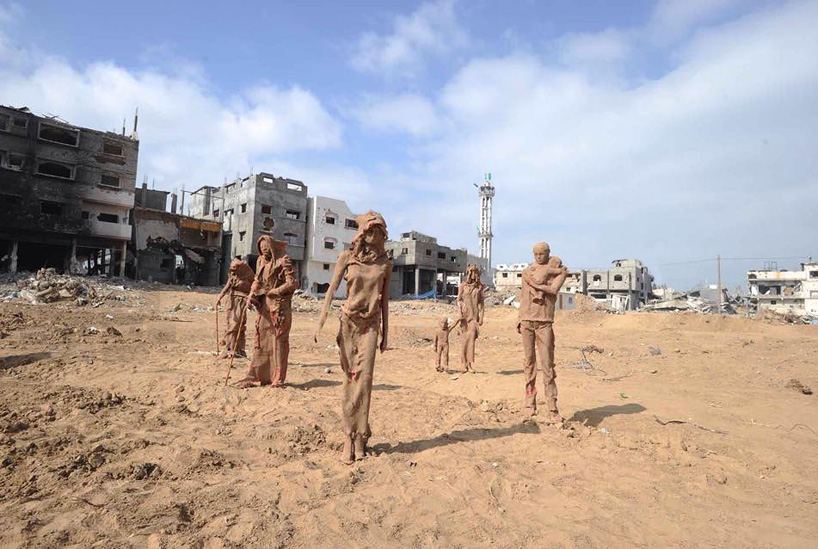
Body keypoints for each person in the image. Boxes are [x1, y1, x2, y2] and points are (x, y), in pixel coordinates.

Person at [314, 211, 391, 463]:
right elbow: (331, 290)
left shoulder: (385, 264)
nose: (374, 235)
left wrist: (386, 333)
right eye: (370, 230)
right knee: (351, 378)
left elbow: (385, 301)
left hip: (371, 325)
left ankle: (360, 436)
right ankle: (348, 435)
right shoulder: (347, 258)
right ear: (362, 232)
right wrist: (321, 322)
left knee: (365, 381)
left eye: (378, 231)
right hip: (349, 323)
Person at [236, 236, 298, 388]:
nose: (264, 251)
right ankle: (258, 375)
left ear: (273, 247)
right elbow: (257, 280)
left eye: (267, 248)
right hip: (264, 306)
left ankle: (278, 378)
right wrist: (251, 295)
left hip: (279, 307)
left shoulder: (283, 261)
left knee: (279, 341)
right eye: (261, 249)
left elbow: (292, 283)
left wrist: (274, 292)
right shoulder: (260, 261)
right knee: (262, 340)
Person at [518, 242, 568, 423]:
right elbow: (523, 297)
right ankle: (529, 403)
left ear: (548, 253)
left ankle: (552, 408)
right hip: (527, 321)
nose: (539, 257)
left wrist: (536, 285)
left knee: (547, 365)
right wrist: (519, 319)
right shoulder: (527, 271)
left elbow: (553, 290)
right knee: (529, 363)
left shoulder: (559, 271)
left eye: (542, 254)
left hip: (544, 322)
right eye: (536, 254)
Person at [215, 258, 254, 358]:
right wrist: (219, 297)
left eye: (235, 269)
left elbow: (253, 290)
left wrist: (250, 300)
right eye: (231, 269)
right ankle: (229, 348)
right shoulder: (233, 276)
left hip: (242, 302)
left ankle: (236, 349)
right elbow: (227, 287)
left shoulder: (248, 277)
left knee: (237, 325)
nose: (233, 271)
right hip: (231, 300)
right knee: (230, 324)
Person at [457, 264, 484, 373]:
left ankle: (470, 364)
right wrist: (460, 310)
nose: (473, 274)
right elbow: (459, 299)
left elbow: (481, 304)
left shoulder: (479, 287)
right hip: (464, 317)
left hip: (474, 317)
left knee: (471, 340)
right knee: (464, 340)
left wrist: (481, 317)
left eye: (475, 272)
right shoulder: (463, 286)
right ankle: (464, 364)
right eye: (471, 272)